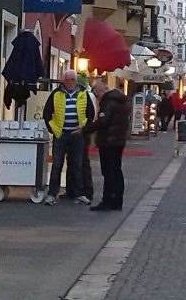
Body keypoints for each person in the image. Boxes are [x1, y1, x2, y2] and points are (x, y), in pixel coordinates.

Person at [41, 71, 95, 206]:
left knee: (77, 164)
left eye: (72, 79)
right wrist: (54, 129)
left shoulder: (83, 94)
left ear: (76, 80)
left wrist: (83, 128)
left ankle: (79, 194)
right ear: (63, 81)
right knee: (56, 165)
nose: (70, 82)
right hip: (61, 134)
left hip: (77, 135)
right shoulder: (56, 94)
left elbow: (90, 113)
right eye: (67, 80)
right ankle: (52, 194)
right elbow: (47, 113)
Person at [84, 79, 129, 211]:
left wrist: (85, 129)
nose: (96, 97)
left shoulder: (107, 102)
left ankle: (107, 201)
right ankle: (117, 200)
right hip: (118, 140)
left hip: (108, 141)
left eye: (96, 94)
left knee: (108, 171)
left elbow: (103, 121)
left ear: (101, 91)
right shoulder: (121, 101)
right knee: (116, 170)